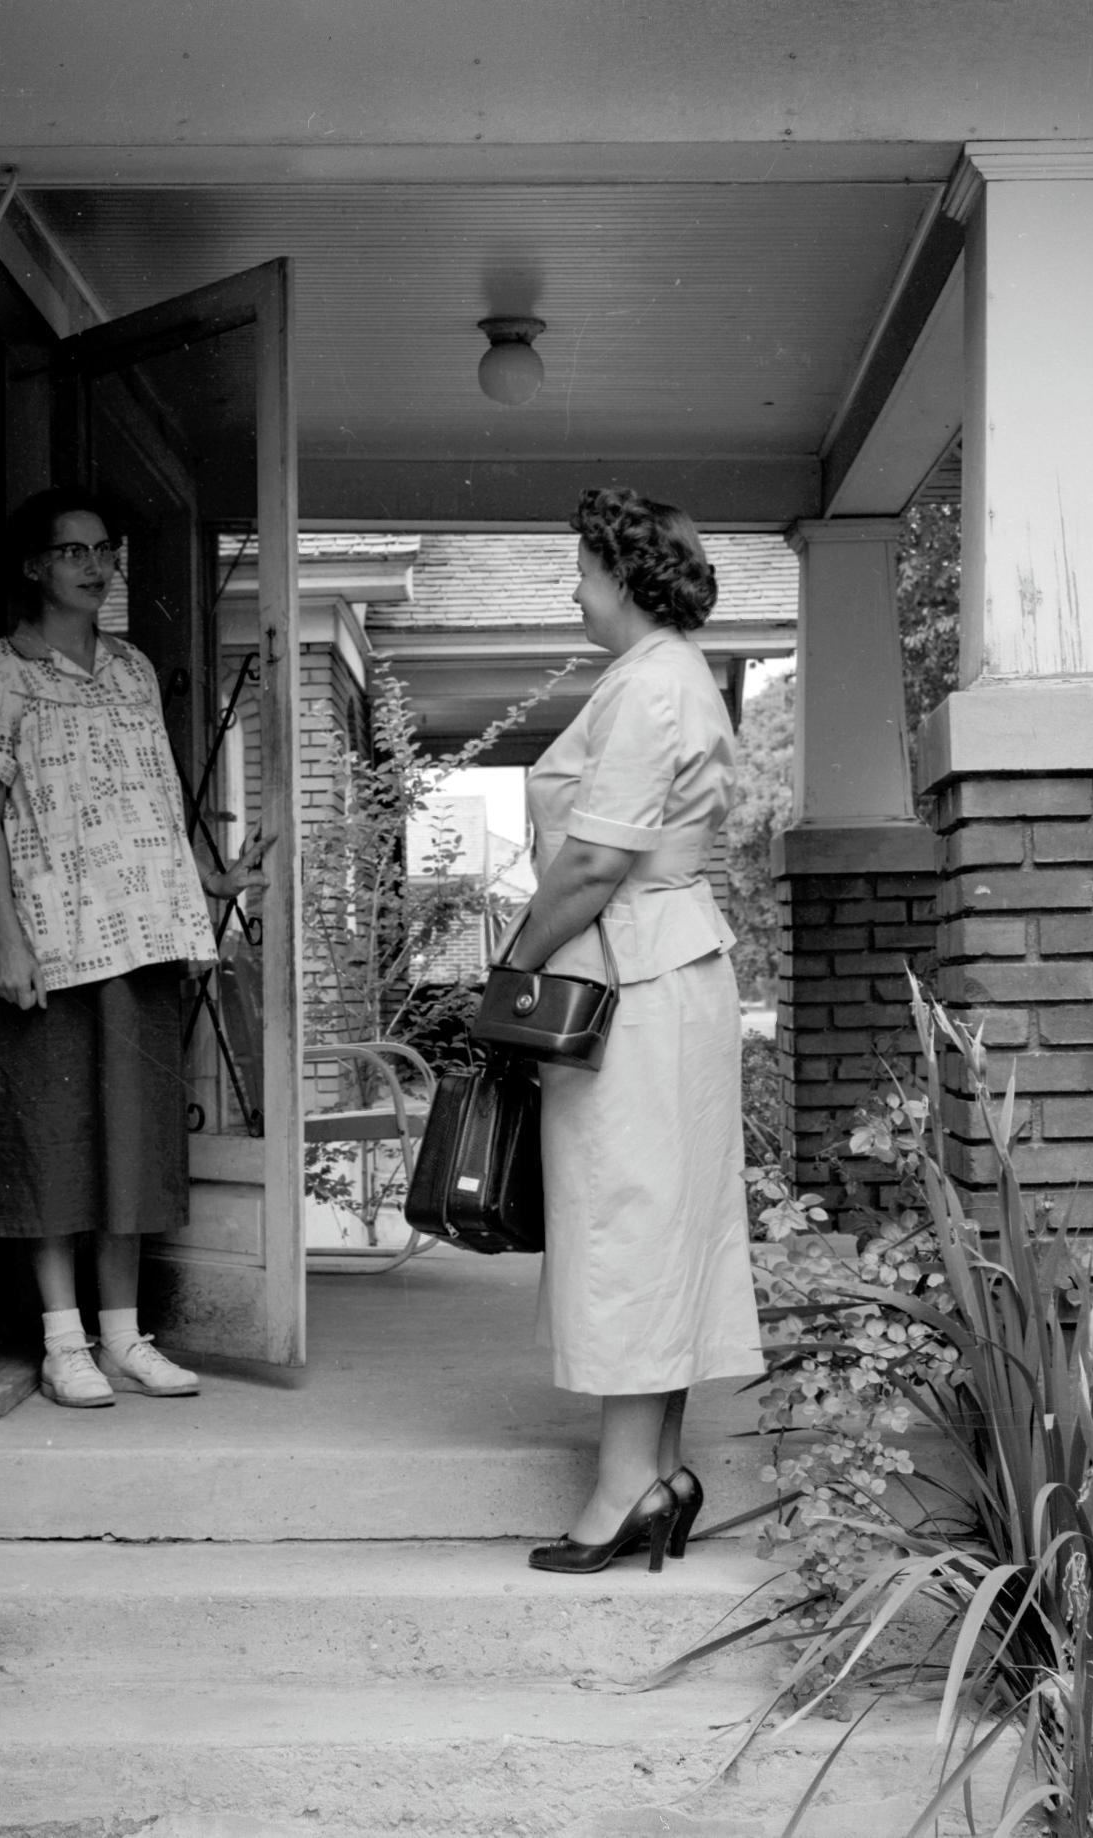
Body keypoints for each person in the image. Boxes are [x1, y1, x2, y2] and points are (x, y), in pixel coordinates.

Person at [505, 487, 765, 1574]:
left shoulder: (649, 685)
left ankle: (622, 1486)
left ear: (620, 574)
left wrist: (512, 963)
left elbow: (596, 858)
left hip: (630, 970)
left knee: (628, 1216)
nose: (571, 587)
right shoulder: (665, 678)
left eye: (579, 568)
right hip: (662, 965)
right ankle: (652, 1469)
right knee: (656, 1215)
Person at [0, 488, 271, 1408]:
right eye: (73, 552)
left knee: (133, 1144)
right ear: (34, 566)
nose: (95, 566)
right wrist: (4, 939)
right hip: (57, 943)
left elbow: (158, 791)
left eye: (103, 550)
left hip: (143, 934)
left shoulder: (133, 670)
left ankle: (123, 1338)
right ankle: (62, 1342)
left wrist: (206, 881)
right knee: (56, 1140)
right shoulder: (4, 674)